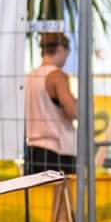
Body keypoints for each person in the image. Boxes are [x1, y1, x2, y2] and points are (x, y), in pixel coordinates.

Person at [24, 33, 79, 175]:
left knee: (36, 189)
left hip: (32, 149)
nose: (66, 58)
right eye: (67, 53)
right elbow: (72, 111)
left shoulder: (29, 77)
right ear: (60, 49)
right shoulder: (57, 76)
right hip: (57, 151)